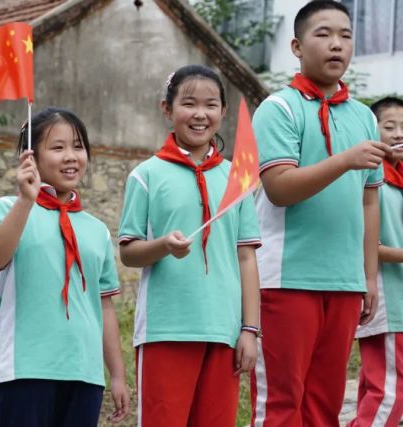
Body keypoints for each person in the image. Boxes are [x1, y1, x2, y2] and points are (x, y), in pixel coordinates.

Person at [249, 2, 392, 426]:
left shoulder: (365, 117)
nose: (337, 45)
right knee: (281, 404)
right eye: (324, 34)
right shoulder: (279, 108)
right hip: (286, 279)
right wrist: (344, 160)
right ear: (296, 45)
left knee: (324, 407)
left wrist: (368, 277)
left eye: (346, 36)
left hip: (345, 282)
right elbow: (279, 189)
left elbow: (370, 200)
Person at [118, 64, 262, 427]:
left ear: (223, 112)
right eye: (189, 103)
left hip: (224, 331)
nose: (200, 114)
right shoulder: (146, 175)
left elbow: (246, 257)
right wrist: (164, 246)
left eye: (211, 105)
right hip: (166, 330)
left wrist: (249, 329)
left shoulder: (238, 178)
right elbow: (129, 251)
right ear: (167, 109)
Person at [0, 107, 130, 427]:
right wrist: (24, 201)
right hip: (22, 373)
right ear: (30, 156)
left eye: (78, 146)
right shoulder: (7, 208)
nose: (71, 156)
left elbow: (105, 307)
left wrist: (117, 375)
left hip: (84, 375)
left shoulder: (96, 229)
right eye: (57, 148)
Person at [349, 97, 403, 427]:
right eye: (389, 126)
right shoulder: (369, 178)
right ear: (372, 130)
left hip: (399, 304)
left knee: (375, 388)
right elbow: (364, 242)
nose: (398, 134)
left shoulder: (399, 180)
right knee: (391, 393)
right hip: (384, 300)